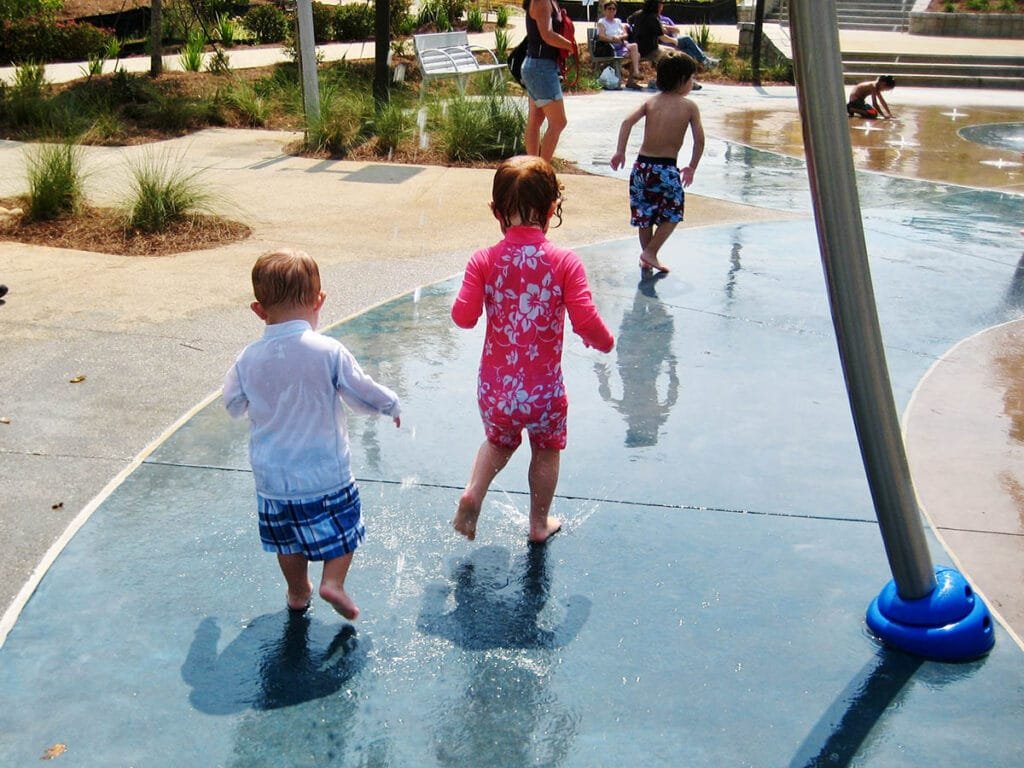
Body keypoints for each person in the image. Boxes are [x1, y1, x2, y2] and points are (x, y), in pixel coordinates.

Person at [223, 249, 402, 621]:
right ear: (319, 301)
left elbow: (234, 403)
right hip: (324, 472)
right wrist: (390, 405)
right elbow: (360, 390)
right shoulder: (328, 351)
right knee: (344, 529)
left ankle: (297, 590)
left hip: (273, 478)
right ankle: (332, 582)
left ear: (259, 310)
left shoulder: (248, 358)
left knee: (287, 540)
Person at [451, 156, 614, 544]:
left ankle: (473, 493)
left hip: (496, 389)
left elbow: (463, 317)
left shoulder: (483, 261)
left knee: (498, 442)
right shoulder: (565, 263)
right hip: (544, 392)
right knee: (546, 449)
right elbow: (585, 319)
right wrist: (604, 341)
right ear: (552, 208)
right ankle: (539, 524)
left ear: (496, 211)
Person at [610, 53, 705, 274]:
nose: (692, 83)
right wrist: (692, 166)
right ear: (682, 80)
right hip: (666, 169)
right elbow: (699, 140)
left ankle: (647, 256)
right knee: (673, 213)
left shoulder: (650, 101)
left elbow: (627, 122)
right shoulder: (689, 107)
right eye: (691, 78)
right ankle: (651, 252)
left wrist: (620, 151)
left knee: (645, 215)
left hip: (642, 167)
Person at [521, 0, 576, 162]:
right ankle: (542, 169)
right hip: (540, 67)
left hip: (539, 66)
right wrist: (570, 46)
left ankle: (532, 169)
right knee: (559, 122)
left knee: (535, 120)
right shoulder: (542, 2)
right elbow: (547, 35)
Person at [656, 2, 717, 90]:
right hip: (665, 43)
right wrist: (664, 29)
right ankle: (704, 62)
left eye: (661, 6)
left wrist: (665, 27)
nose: (660, 8)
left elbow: (677, 30)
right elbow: (661, 34)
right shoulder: (653, 18)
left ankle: (689, 79)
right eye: (658, 6)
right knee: (687, 40)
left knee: (687, 51)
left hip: (674, 41)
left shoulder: (666, 19)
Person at [595, 1, 642, 90]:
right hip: (609, 47)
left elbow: (625, 34)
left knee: (635, 48)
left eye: (614, 9)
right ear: (604, 10)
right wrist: (613, 39)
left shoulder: (618, 21)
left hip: (621, 45)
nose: (611, 10)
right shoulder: (602, 22)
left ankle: (634, 75)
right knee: (637, 55)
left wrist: (619, 37)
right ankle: (632, 79)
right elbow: (601, 36)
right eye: (609, 8)